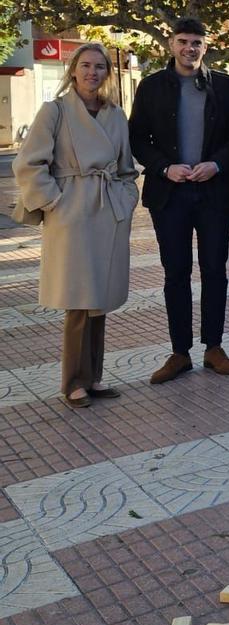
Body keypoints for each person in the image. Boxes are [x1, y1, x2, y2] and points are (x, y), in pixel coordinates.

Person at [12, 43, 139, 408]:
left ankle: (93, 377)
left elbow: (126, 168)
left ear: (107, 73)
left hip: (108, 211)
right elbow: (28, 163)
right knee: (79, 301)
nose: (92, 72)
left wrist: (125, 199)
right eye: (85, 65)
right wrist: (55, 201)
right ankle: (73, 382)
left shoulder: (115, 114)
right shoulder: (54, 111)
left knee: (99, 298)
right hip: (71, 214)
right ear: (73, 70)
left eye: (99, 66)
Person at [129, 17, 229, 384]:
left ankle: (214, 347)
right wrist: (165, 168)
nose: (189, 48)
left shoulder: (224, 85)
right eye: (182, 41)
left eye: (196, 42)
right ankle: (179, 352)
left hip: (214, 193)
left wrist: (217, 164)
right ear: (171, 44)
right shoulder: (151, 87)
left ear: (205, 47)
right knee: (175, 272)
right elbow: (137, 138)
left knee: (215, 270)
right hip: (170, 195)